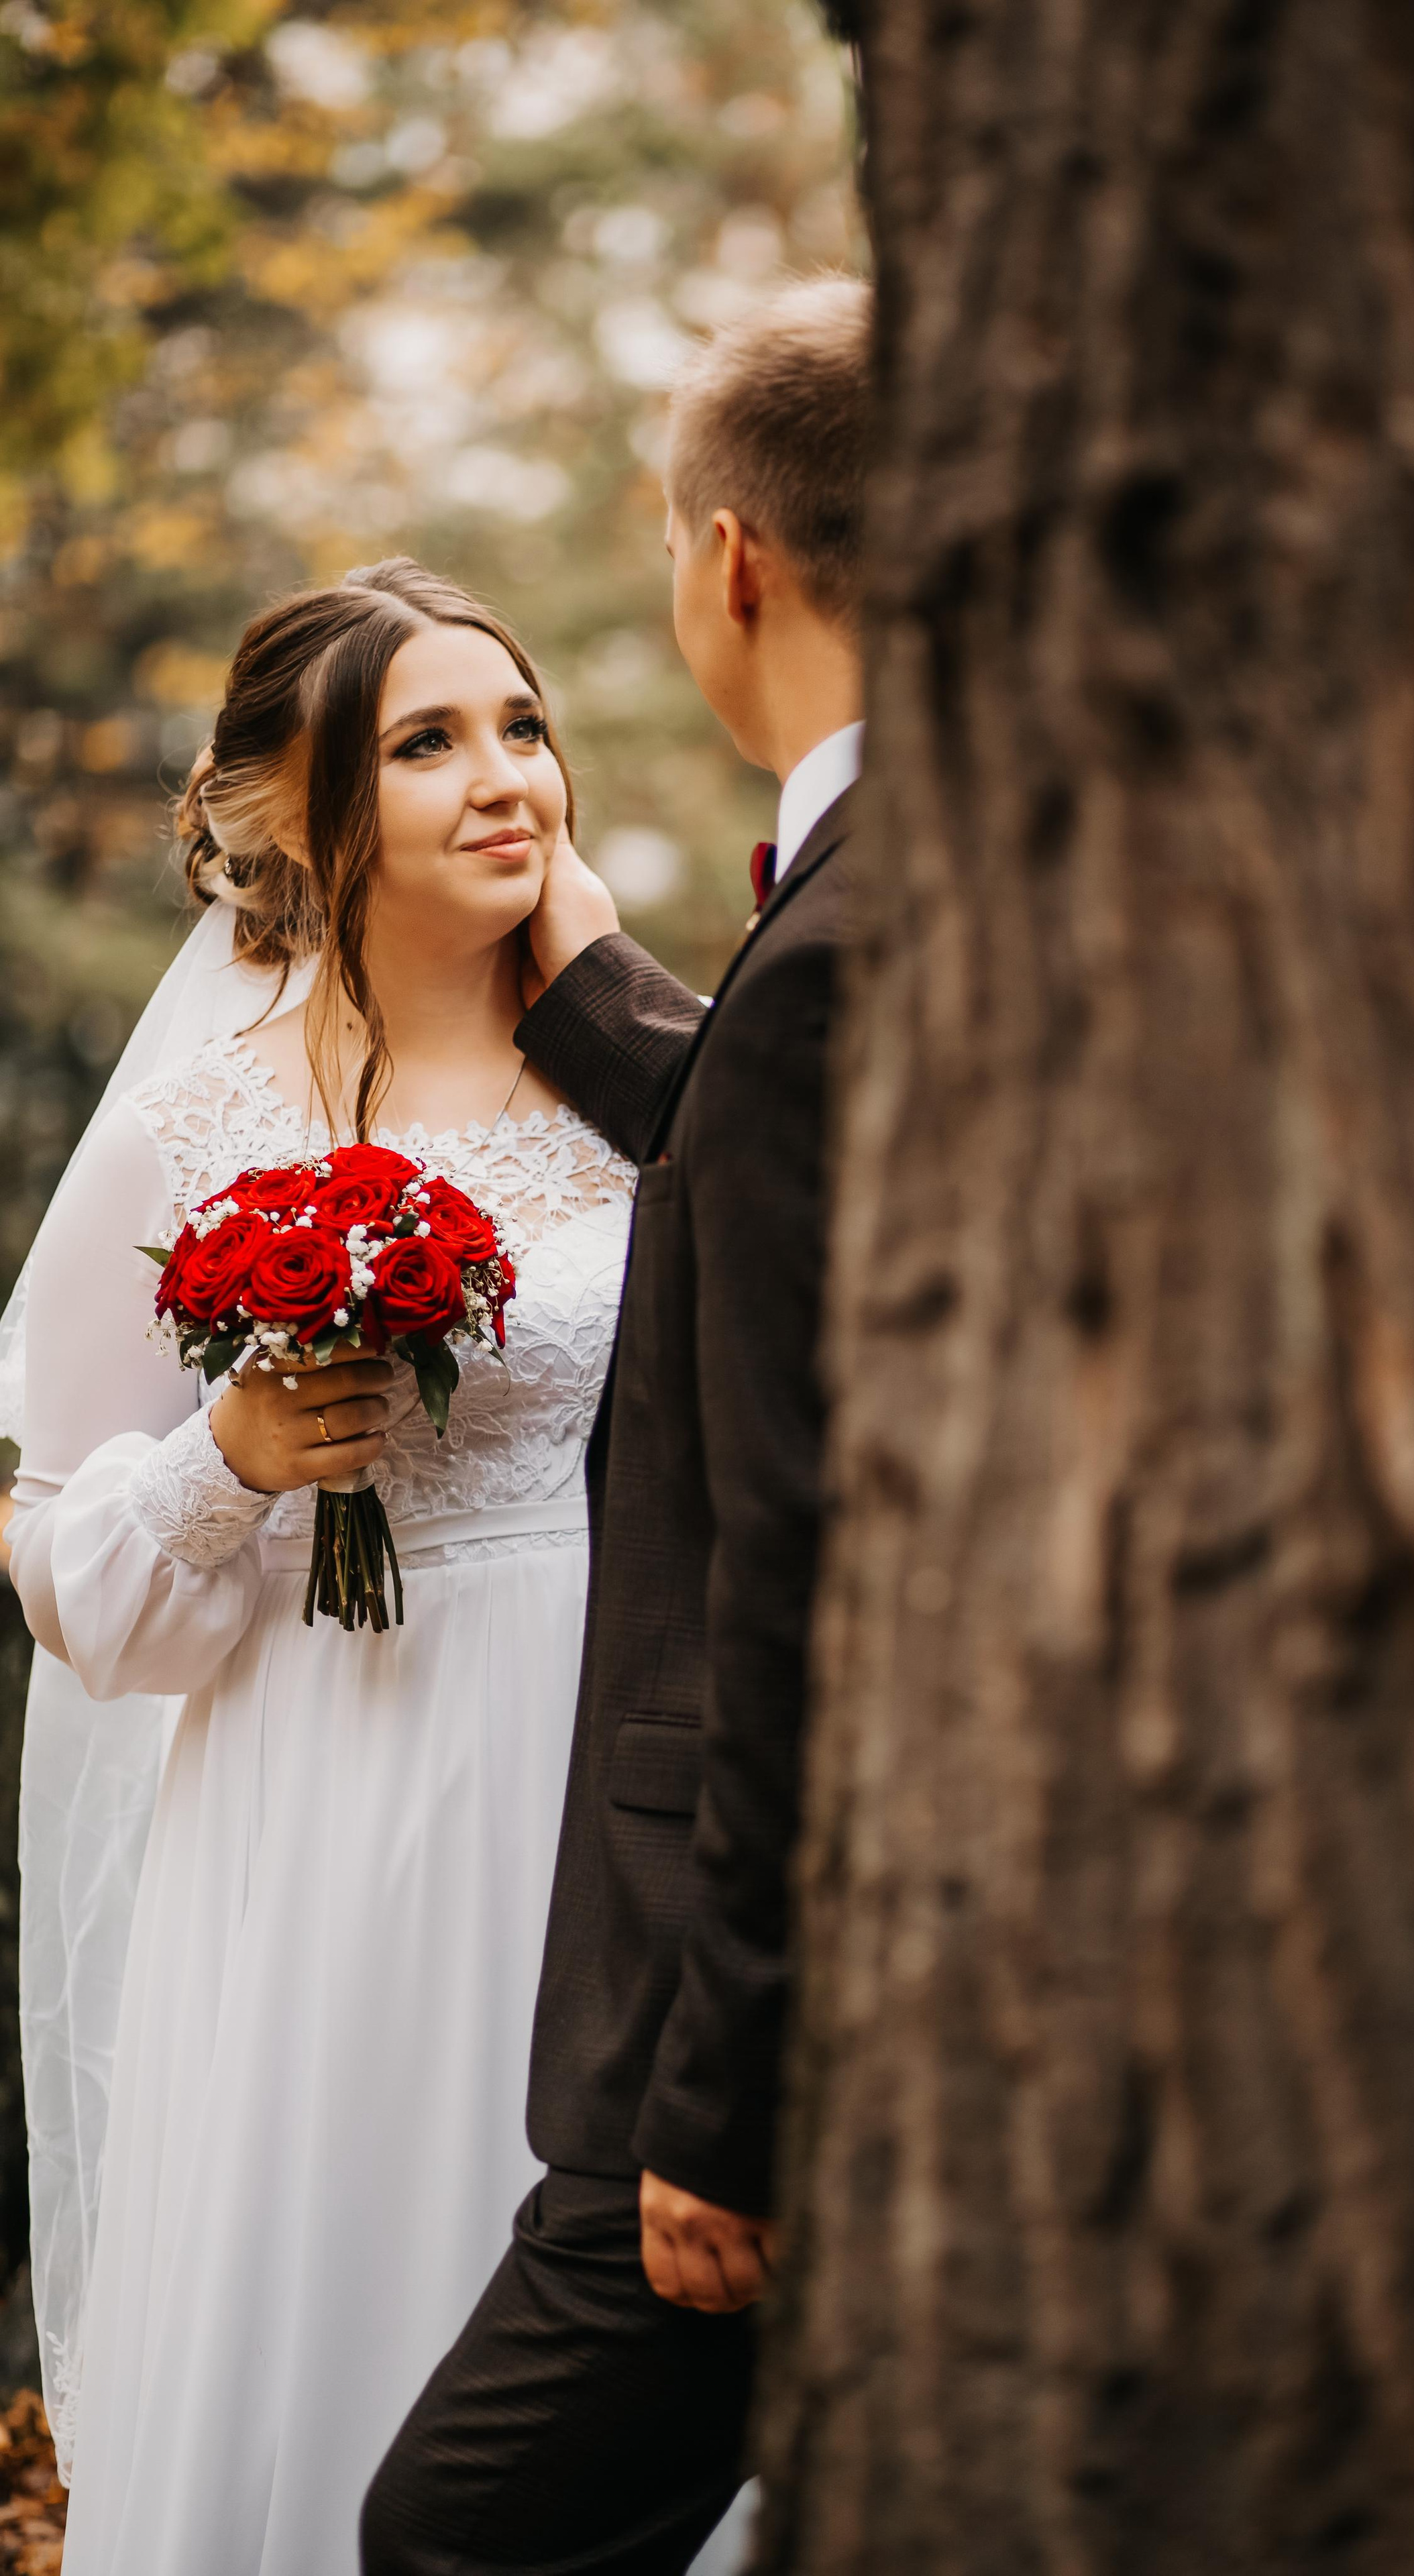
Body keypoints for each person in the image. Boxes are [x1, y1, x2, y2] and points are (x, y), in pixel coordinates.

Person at [3, 559, 636, 2575]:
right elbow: (60, 1552)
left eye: (522, 726)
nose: (502, 779)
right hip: (306, 1800)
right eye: (428, 743)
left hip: (582, 1765)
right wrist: (231, 1458)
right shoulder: (194, 1128)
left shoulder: (650, 1082)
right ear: (303, 813)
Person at [361, 273, 871, 2576]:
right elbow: (786, 1164)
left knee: (455, 2539)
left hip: (735, 2020)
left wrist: (726, 2095)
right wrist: (593, 977)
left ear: (731, 561)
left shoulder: (849, 938)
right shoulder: (951, 885)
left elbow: (794, 1556)